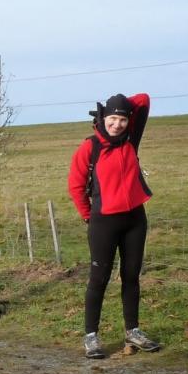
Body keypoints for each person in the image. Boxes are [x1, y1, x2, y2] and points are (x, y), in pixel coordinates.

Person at [66, 93, 161, 360]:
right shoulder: (91, 147)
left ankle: (133, 331)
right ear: (102, 119)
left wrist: (118, 105)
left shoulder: (131, 139)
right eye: (111, 118)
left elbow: (143, 99)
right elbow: (75, 186)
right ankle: (91, 338)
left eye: (121, 119)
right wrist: (89, 216)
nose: (117, 124)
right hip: (103, 223)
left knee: (131, 278)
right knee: (99, 280)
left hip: (135, 220)